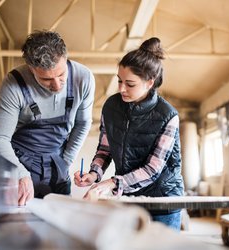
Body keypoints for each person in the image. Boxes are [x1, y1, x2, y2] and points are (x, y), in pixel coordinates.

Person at [74, 37, 184, 230]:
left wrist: (111, 183)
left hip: (163, 200)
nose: (121, 89)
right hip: (128, 195)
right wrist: (94, 174)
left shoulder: (168, 116)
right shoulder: (111, 107)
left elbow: (152, 169)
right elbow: (105, 149)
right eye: (119, 81)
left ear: (150, 83)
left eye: (130, 84)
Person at [0, 30, 95, 206]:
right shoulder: (14, 84)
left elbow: (83, 123)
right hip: (19, 164)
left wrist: (66, 161)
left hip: (57, 166)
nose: (56, 85)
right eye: (46, 79)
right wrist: (20, 175)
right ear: (31, 69)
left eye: (61, 75)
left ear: (65, 58)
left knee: (60, 224)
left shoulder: (83, 78)